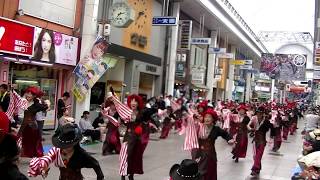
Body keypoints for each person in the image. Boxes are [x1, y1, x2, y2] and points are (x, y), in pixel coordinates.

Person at [28, 124, 104, 180]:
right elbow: (48, 158)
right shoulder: (57, 151)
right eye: (62, 145)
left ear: (75, 144)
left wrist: (100, 178)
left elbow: (96, 164)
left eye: (68, 146)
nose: (64, 148)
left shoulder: (81, 154)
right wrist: (42, 167)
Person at [193, 109, 234, 180]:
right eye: (205, 117)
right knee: (199, 171)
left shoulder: (216, 129)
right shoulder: (199, 127)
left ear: (213, 119)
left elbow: (225, 134)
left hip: (211, 155)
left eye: (209, 117)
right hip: (199, 154)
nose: (207, 119)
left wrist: (229, 139)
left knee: (210, 171)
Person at [18, 86, 48, 158]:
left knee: (34, 142)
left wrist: (47, 103)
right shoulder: (24, 102)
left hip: (33, 127)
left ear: (34, 96)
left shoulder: (36, 104)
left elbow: (45, 107)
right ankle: (26, 154)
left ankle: (36, 156)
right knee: (25, 141)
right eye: (27, 93)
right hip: (25, 125)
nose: (28, 95)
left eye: (30, 94)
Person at [247, 106, 273, 176]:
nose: (259, 114)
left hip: (262, 140)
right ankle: (258, 168)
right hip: (255, 140)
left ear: (263, 114)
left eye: (261, 113)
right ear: (257, 112)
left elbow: (270, 128)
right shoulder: (253, 118)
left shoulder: (266, 120)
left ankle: (254, 169)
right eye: (258, 112)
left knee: (259, 155)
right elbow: (248, 125)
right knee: (255, 156)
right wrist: (250, 129)